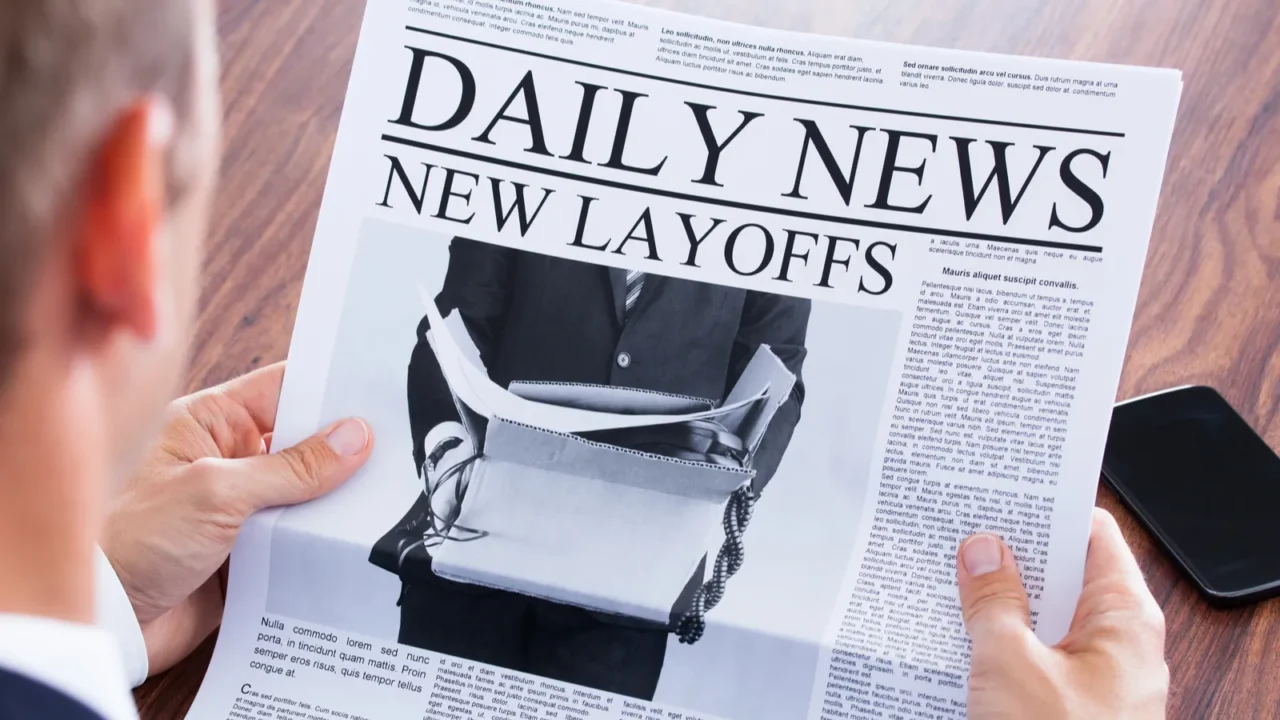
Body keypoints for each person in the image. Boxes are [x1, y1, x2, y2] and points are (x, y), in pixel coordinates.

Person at [0, 1, 1168, 719]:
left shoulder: (770, 250)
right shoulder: (508, 213)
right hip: (477, 527)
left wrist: (96, 599)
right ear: (120, 227)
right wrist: (450, 443)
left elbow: (783, 377)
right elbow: (445, 334)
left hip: (642, 553)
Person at [380, 236, 811, 700]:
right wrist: (446, 453)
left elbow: (778, 372)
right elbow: (454, 323)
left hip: (631, 579)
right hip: (476, 542)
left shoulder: (774, 225)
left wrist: (728, 488)